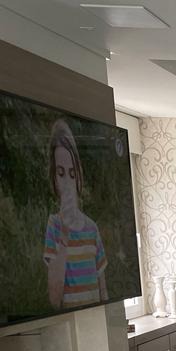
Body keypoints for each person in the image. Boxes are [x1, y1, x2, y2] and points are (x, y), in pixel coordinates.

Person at [42, 119, 107, 310]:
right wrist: (64, 237)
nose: (68, 182)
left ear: (78, 175)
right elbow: (54, 299)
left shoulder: (92, 228)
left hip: (95, 321)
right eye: (61, 173)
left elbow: (103, 291)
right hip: (72, 323)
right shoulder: (54, 225)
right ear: (54, 178)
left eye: (72, 173)